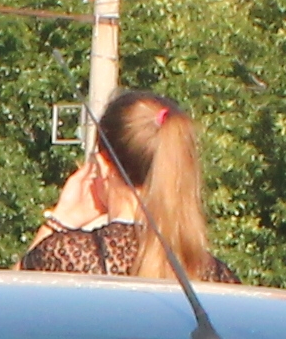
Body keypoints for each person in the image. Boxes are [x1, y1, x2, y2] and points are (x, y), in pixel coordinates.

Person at [21, 88, 220, 285]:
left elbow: (11, 295)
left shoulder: (67, 255)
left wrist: (62, 219)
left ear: (103, 165)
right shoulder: (213, 274)